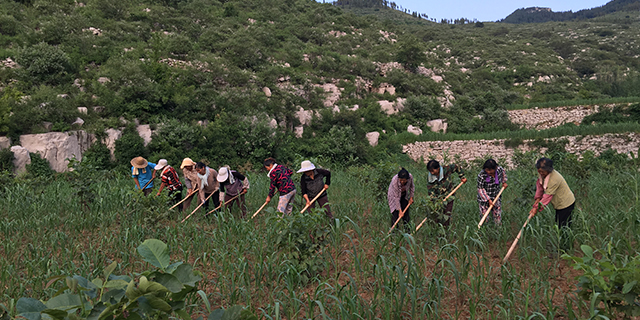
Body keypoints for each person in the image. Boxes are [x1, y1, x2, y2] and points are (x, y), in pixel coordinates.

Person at [529, 157, 575, 250]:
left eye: (543, 171)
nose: (540, 173)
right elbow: (540, 186)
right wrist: (537, 199)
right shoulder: (542, 174)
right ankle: (562, 246)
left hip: (566, 203)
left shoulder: (555, 179)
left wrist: (536, 209)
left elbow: (547, 197)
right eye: (539, 171)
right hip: (558, 204)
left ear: (549, 170)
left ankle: (565, 249)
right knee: (559, 224)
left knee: (563, 226)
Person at [426, 160, 467, 226]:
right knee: (436, 215)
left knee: (447, 214)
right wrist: (435, 202)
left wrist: (462, 176)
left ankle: (445, 229)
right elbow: (431, 191)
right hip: (438, 199)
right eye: (430, 171)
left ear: (438, 168)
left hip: (449, 195)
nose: (431, 172)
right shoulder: (430, 177)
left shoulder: (447, 169)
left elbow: (456, 167)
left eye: (433, 171)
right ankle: (437, 229)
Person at [477, 159, 508, 225]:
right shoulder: (482, 175)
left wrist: (504, 182)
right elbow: (480, 189)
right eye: (487, 170)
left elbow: (503, 173)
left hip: (496, 196)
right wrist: (488, 200)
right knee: (484, 217)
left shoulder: (499, 170)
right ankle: (484, 231)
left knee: (497, 215)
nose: (488, 172)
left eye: (490, 170)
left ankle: (498, 230)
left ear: (495, 168)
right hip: (484, 200)